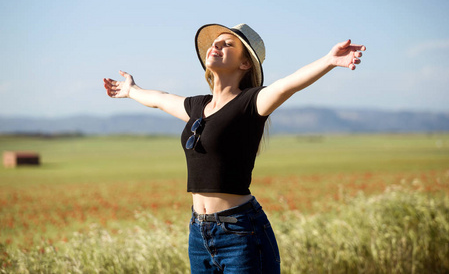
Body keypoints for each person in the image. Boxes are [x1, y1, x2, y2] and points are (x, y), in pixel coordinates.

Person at [103, 23, 366, 273]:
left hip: (241, 233)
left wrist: (330, 60)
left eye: (226, 44)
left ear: (244, 63)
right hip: (198, 233)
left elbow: (288, 84)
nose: (215, 46)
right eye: (213, 43)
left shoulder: (251, 103)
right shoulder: (197, 106)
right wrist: (131, 90)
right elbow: (160, 99)